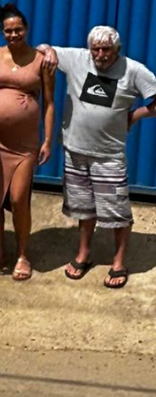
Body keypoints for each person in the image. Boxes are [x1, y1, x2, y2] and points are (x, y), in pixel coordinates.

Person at [38, 27, 156, 289]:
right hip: (75, 151)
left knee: (118, 212)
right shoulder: (78, 58)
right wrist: (47, 51)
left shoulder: (133, 70)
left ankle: (119, 262)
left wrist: (136, 116)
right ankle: (83, 254)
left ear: (117, 49)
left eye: (106, 49)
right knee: (83, 208)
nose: (100, 54)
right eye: (96, 49)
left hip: (109, 155)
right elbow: (44, 47)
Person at [0, 5, 54, 282]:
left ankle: (22, 254)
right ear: (2, 31)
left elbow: (50, 103)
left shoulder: (42, 60)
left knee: (19, 199)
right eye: (8, 30)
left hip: (24, 144)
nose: (14, 34)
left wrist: (48, 139)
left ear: (26, 28)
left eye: (18, 29)